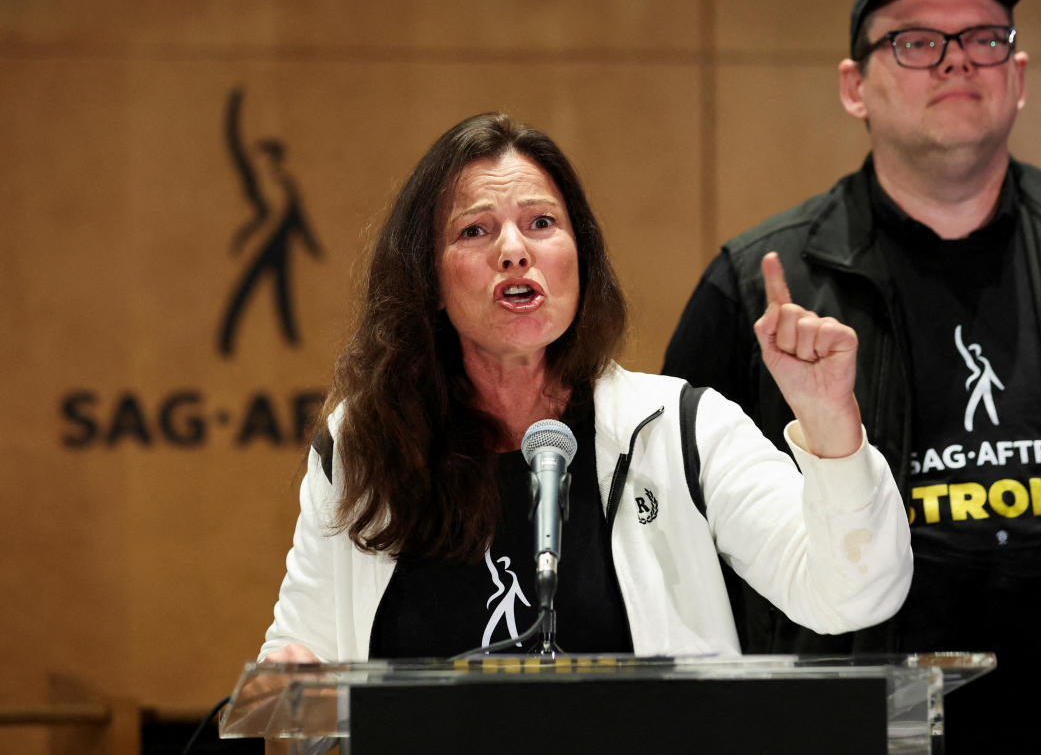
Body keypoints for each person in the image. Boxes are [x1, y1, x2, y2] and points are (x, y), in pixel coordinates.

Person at [662, 0, 1041, 755]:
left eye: (984, 39)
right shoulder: (760, 287)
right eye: (916, 41)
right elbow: (679, 514)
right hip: (850, 730)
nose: (957, 61)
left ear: (1020, 75)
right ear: (855, 87)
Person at [259, 111, 912, 670]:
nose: (514, 250)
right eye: (475, 230)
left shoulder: (681, 429)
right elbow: (301, 661)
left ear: (581, 258)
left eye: (541, 223)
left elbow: (852, 596)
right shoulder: (364, 445)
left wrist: (830, 423)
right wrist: (289, 672)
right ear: (427, 278)